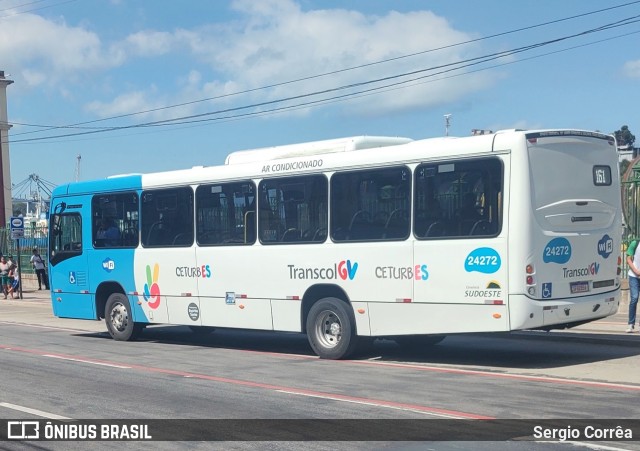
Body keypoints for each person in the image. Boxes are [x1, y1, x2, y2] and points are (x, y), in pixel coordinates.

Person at [626, 238, 640, 332]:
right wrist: (636, 271)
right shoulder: (635, 243)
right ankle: (631, 324)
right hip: (634, 276)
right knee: (634, 298)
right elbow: (628, 259)